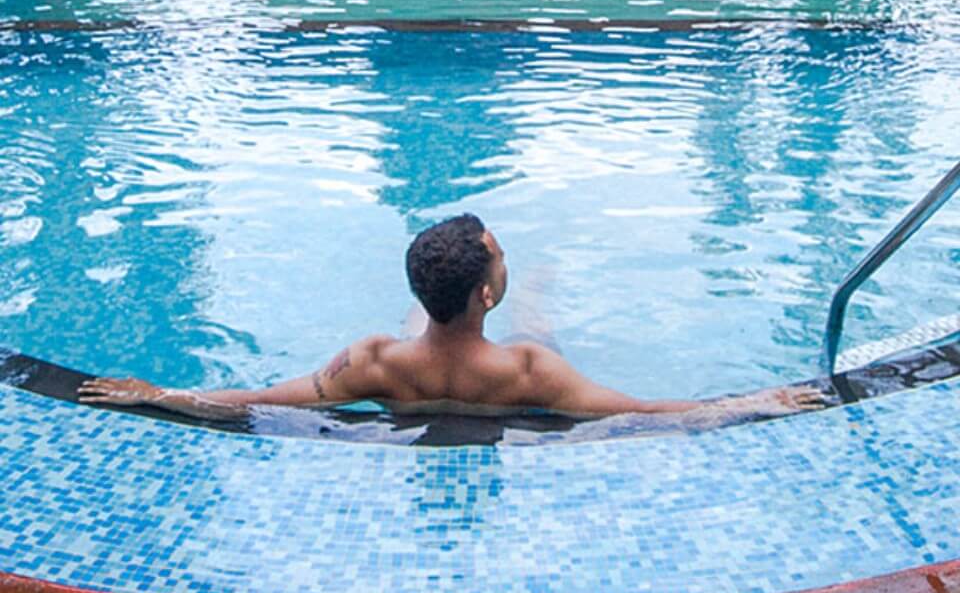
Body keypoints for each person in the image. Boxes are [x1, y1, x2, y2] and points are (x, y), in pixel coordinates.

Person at [78, 213, 824, 422]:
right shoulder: (532, 371)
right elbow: (649, 413)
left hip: (423, 360)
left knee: (421, 325)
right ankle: (534, 293)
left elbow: (263, 399)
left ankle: (466, 302)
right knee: (542, 318)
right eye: (499, 260)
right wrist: (755, 402)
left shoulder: (372, 361)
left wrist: (161, 393)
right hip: (488, 362)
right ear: (486, 295)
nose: (498, 258)